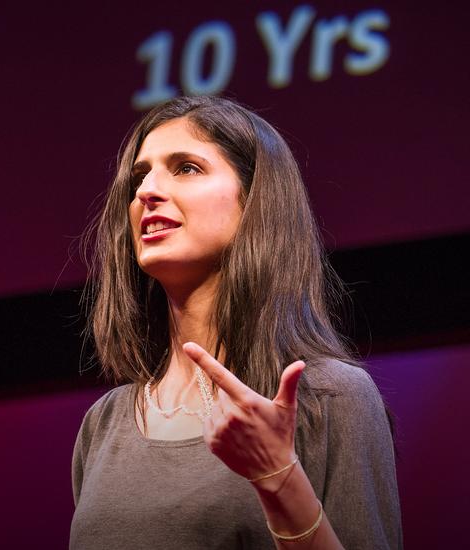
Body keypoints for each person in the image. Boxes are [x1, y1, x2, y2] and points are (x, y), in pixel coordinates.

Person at [69, 96, 401, 549]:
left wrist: (277, 475)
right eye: (139, 176)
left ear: (254, 201)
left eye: (186, 167)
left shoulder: (329, 397)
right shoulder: (104, 423)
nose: (146, 191)